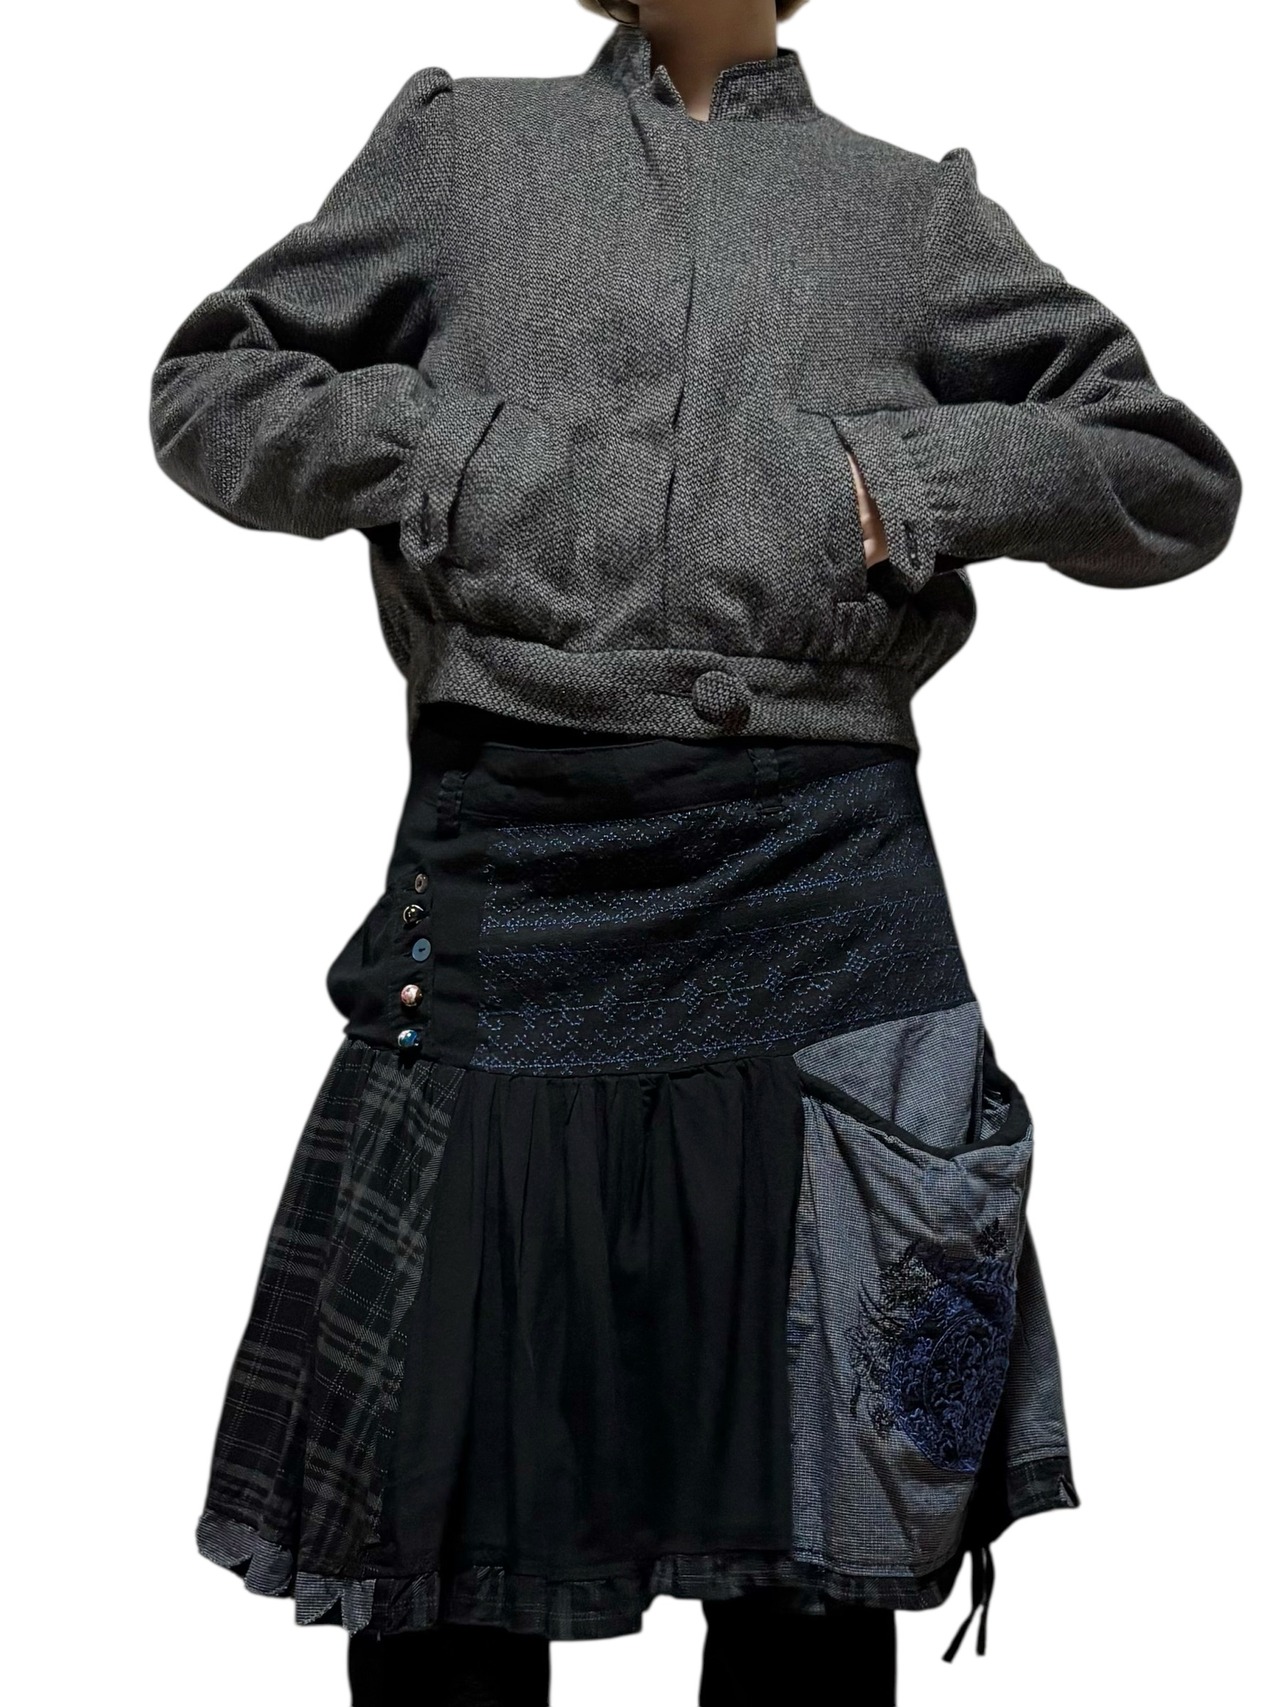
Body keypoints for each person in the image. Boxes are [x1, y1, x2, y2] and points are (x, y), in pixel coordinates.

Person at [148, 3, 1241, 1702]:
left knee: (815, 1566)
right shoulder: (463, 149)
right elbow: (213, 390)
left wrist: (905, 477)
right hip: (512, 887)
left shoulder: (911, 211)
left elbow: (1169, 477)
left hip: (825, 907)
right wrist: (452, 455)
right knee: (446, 1556)